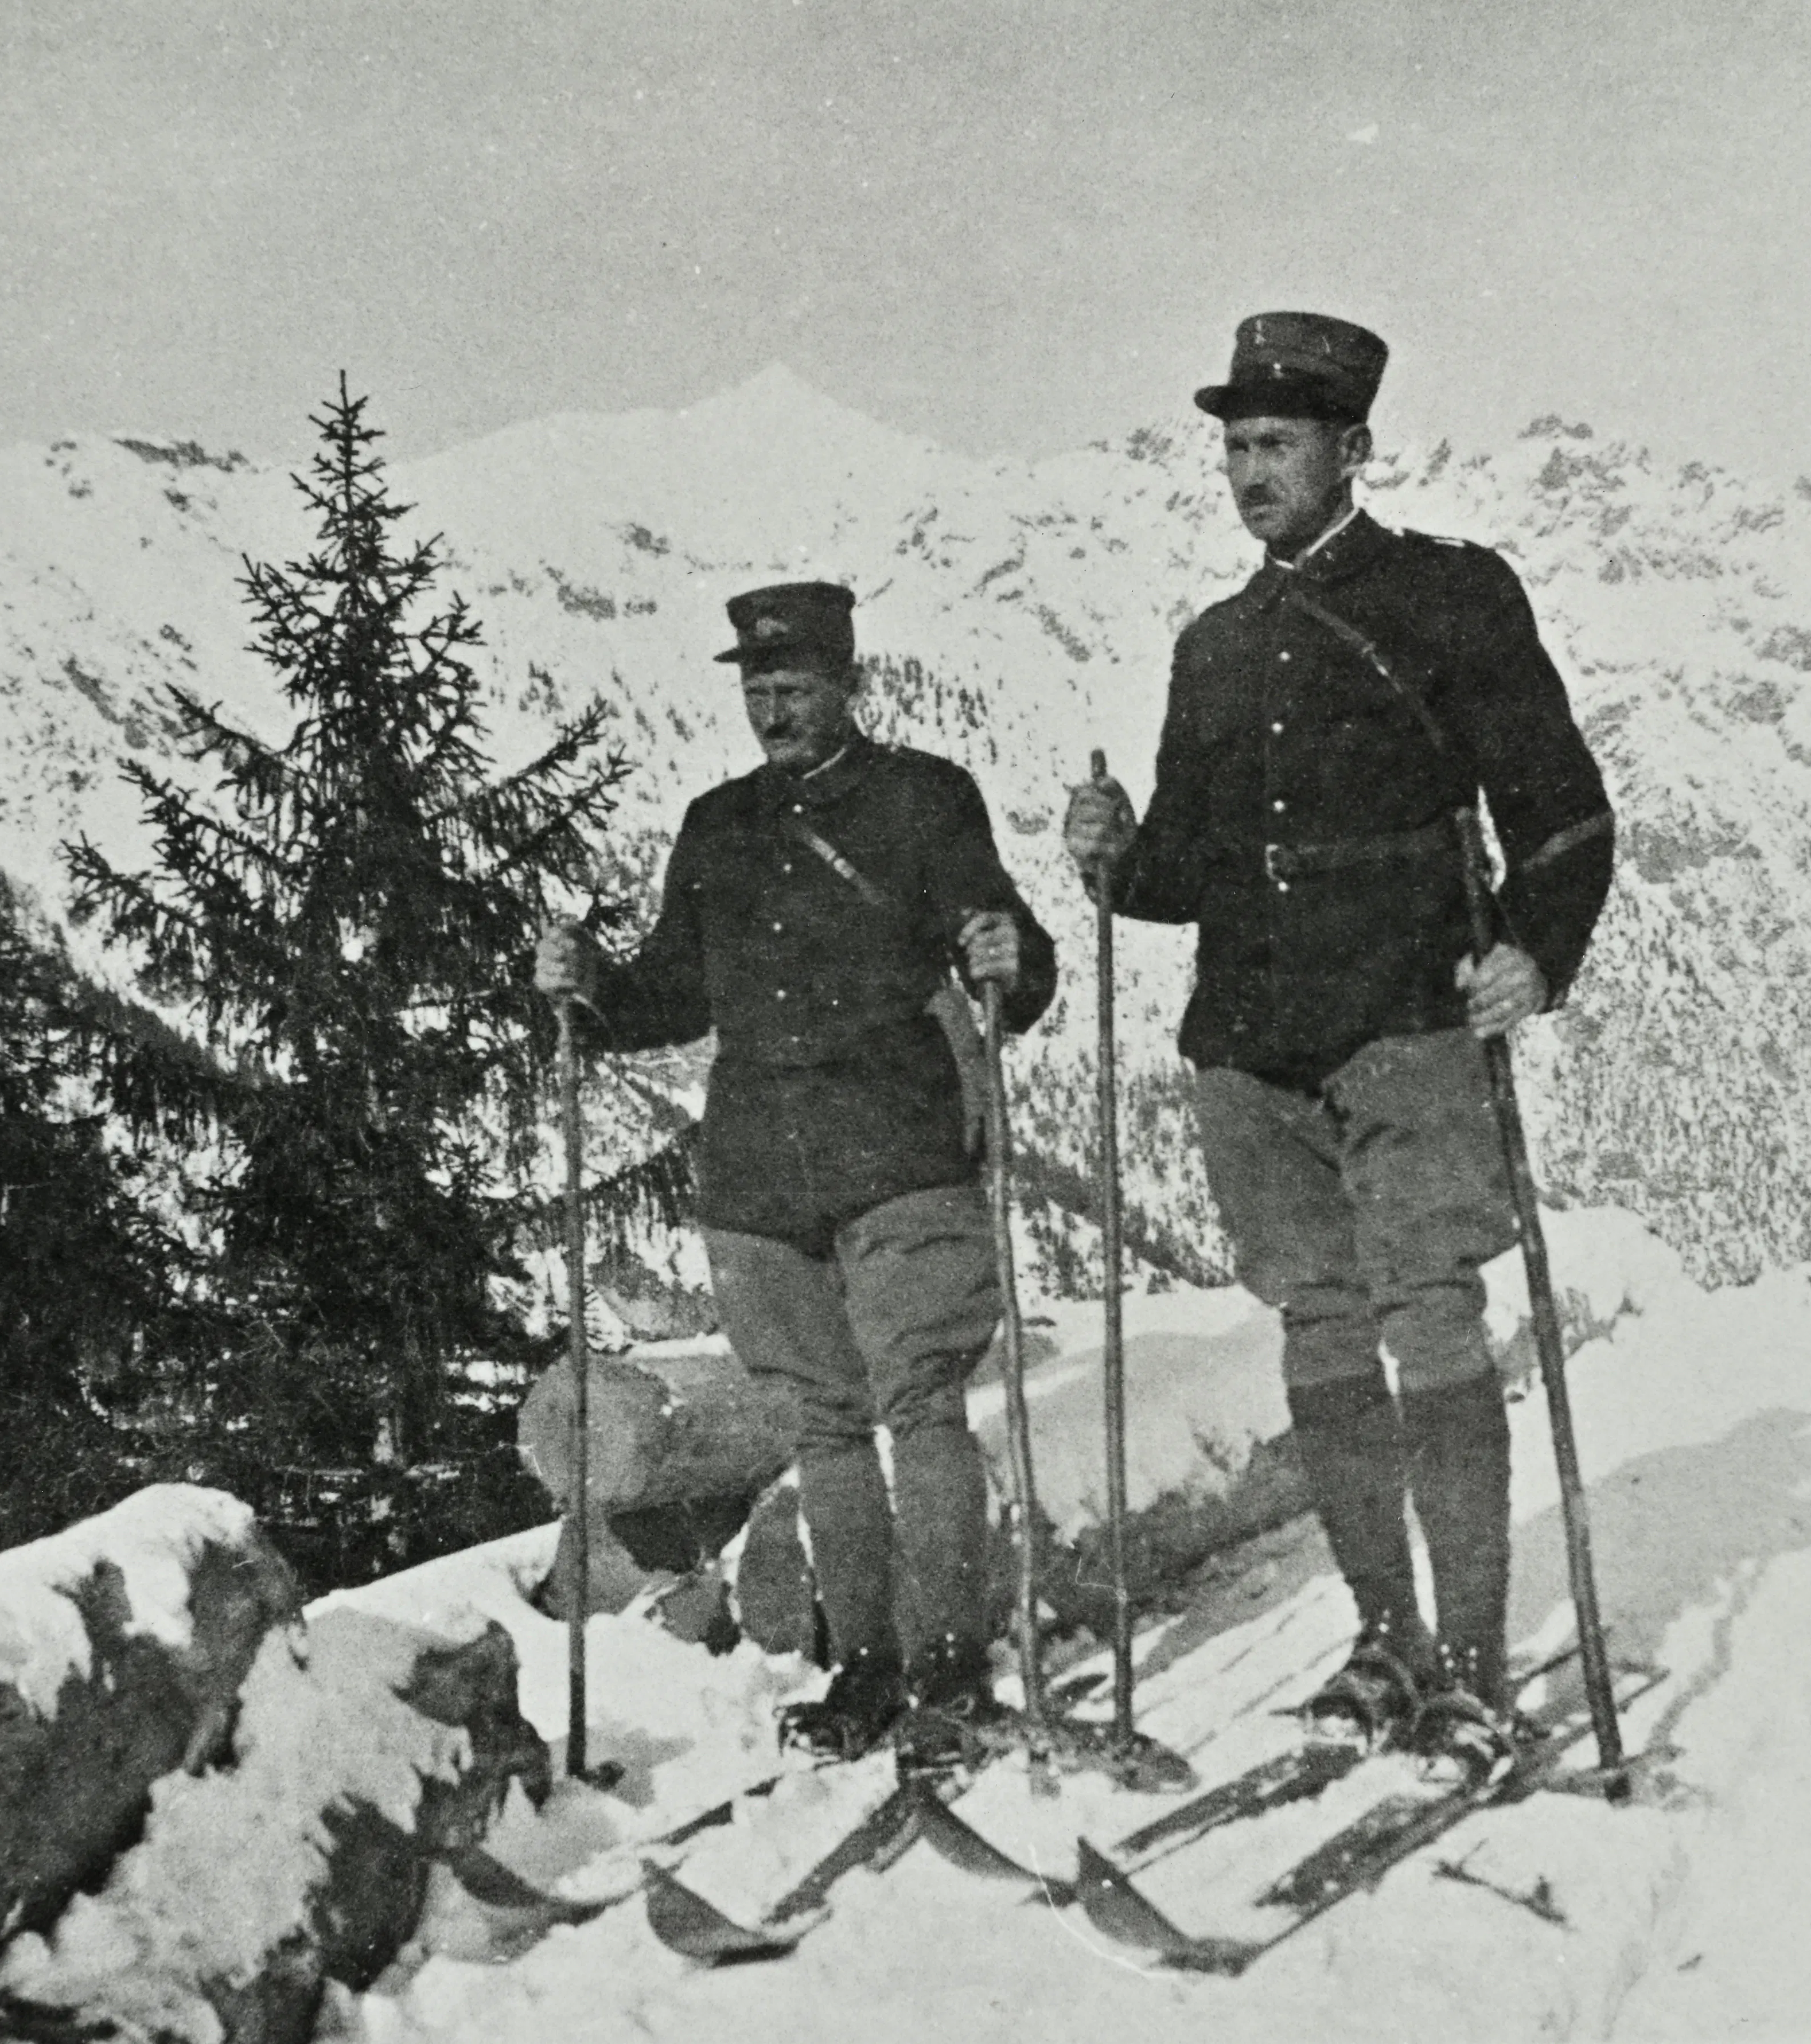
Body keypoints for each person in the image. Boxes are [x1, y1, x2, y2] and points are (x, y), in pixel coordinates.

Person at [1063, 313, 1615, 1764]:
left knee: (1426, 1311)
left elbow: (1562, 807)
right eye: (1234, 447)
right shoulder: (1214, 648)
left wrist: (1534, 952)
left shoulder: (1449, 598)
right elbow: (1180, 875)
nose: (1248, 472)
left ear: (1353, 451)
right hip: (1251, 1042)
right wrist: (1110, 859)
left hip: (1410, 1018)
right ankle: (1389, 1639)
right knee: (1317, 1325)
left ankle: (1477, 1662)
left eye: (1277, 445)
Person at [538, 580, 1058, 1764]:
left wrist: (1007, 955)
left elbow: (1012, 970)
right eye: (758, 686)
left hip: (905, 1151)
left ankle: (949, 1669)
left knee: (921, 1404)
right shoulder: (716, 826)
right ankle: (866, 1670)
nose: (775, 705)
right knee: (825, 1424)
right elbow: (673, 990)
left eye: (797, 683)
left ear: (849, 683)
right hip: (763, 1170)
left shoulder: (929, 801)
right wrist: (587, 993)